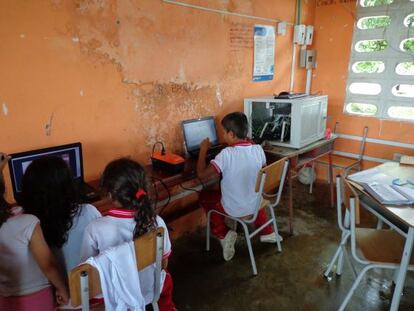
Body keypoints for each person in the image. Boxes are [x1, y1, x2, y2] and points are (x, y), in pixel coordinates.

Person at [80, 158, 176, 311]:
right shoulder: (157, 222)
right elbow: (163, 264)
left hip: (117, 301)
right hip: (151, 292)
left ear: (110, 195)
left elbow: (88, 277)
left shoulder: (94, 229)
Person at [197, 112, 282, 261]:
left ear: (231, 134)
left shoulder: (226, 154)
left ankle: (223, 233)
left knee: (205, 196)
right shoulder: (258, 149)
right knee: (251, 193)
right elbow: (261, 175)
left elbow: (202, 175)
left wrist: (203, 150)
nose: (223, 135)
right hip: (256, 204)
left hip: (236, 209)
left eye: (223, 132)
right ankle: (267, 232)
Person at [0, 153, 69, 310]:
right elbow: (48, 265)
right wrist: (62, 288)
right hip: (37, 298)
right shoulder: (27, 222)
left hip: (5, 300)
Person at [21, 156, 101, 273]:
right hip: (88, 285)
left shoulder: (27, 227)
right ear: (68, 186)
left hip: (55, 289)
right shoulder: (89, 212)